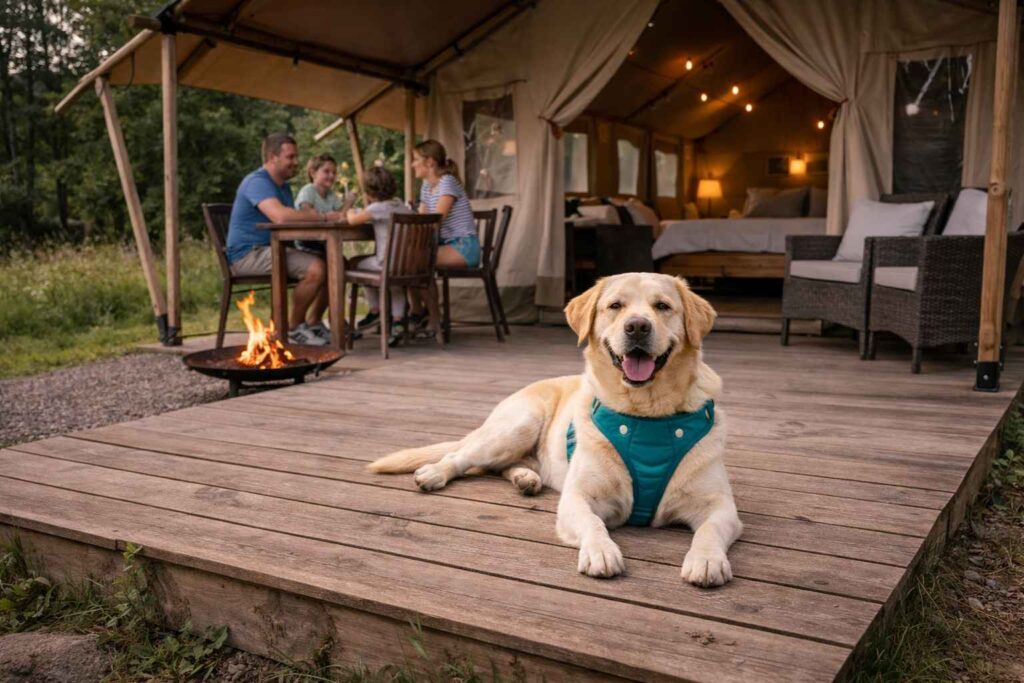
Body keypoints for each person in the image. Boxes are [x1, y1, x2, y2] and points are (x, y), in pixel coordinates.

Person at [226, 133, 335, 346]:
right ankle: (294, 327)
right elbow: (282, 217)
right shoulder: (257, 182)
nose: (296, 162)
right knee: (316, 268)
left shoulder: (283, 187)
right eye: (290, 157)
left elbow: (292, 221)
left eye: (296, 157)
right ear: (271, 157)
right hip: (248, 255)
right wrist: (321, 216)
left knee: (335, 263)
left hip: (275, 249)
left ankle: (312, 322)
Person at [408, 139, 480, 331]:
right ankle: (418, 312)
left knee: (416, 260)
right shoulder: (426, 186)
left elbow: (435, 221)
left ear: (430, 161)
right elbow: (422, 221)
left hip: (463, 247)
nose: (412, 164)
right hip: (443, 246)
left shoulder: (447, 182)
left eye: (416, 159)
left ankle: (431, 317)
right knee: (407, 260)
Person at [346, 166, 412, 347]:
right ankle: (397, 322)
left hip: (386, 265)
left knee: (354, 263)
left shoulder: (377, 208)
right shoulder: (402, 206)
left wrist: (349, 209)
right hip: (406, 265)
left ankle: (375, 310)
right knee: (395, 284)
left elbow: (352, 220)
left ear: (369, 191)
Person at [293, 154, 354, 254]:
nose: (332, 175)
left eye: (334, 172)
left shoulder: (331, 194)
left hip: (324, 242)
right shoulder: (308, 190)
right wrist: (326, 217)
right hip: (306, 243)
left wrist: (348, 203)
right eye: (326, 171)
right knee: (336, 261)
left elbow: (341, 216)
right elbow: (306, 213)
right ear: (313, 173)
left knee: (342, 261)